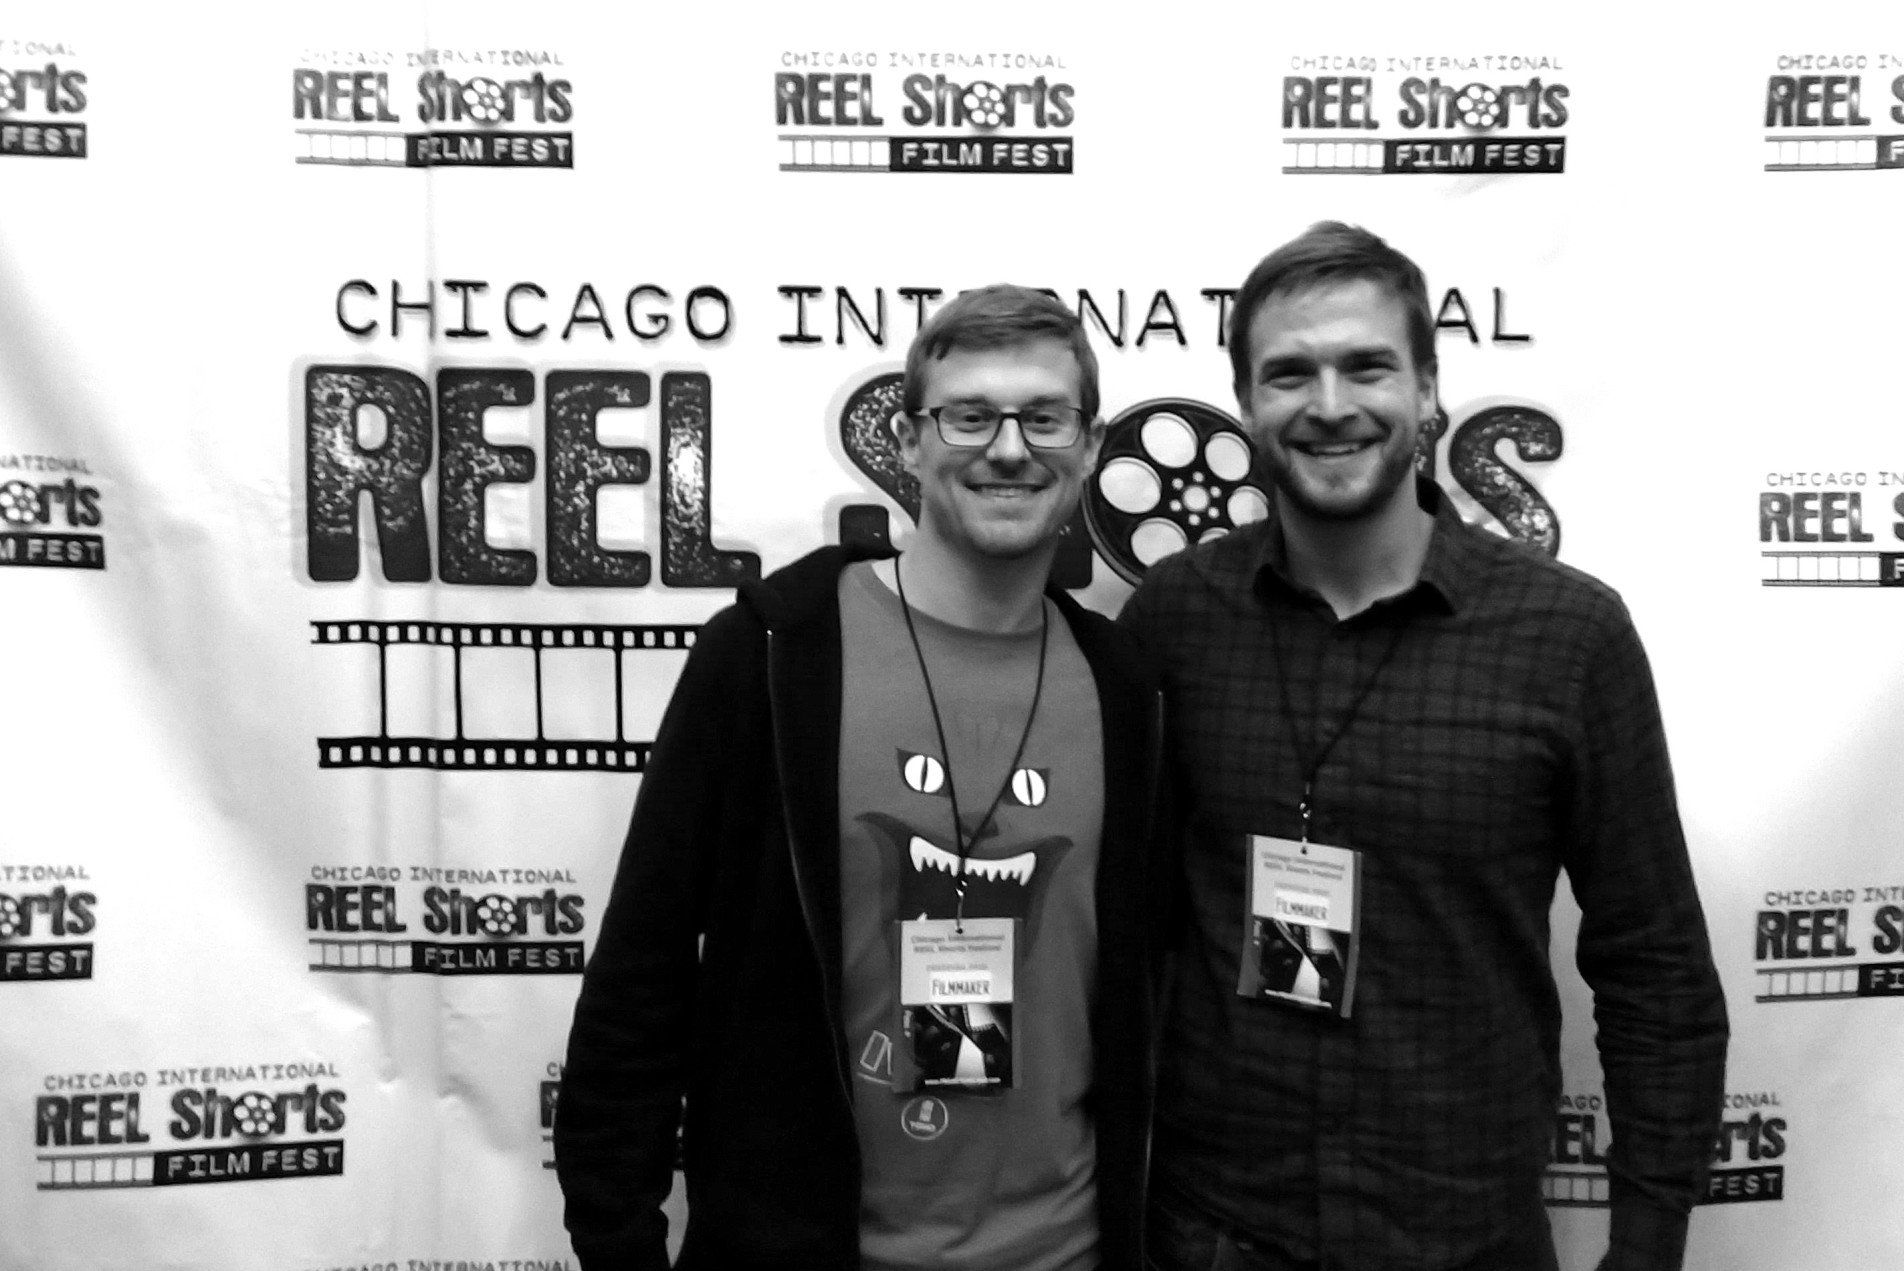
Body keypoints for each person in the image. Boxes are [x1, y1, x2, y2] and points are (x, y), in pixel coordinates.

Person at [1119, 223, 1727, 1271]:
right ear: (1248, 408)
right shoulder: (1177, 618)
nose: (1330, 402)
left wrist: (1646, 1248)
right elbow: (1118, 932)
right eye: (1289, 373)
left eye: (1367, 365)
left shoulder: (1568, 636)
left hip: (1463, 1237)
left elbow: (1657, 972)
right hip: (1215, 1230)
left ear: (1430, 391)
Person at [557, 285, 1167, 1271]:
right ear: (909, 442)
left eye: (1045, 416)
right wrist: (620, 1241)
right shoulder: (769, 656)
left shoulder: (1128, 687)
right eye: (968, 414)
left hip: (1067, 1251)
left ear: (1088, 448)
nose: (1009, 447)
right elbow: (641, 975)